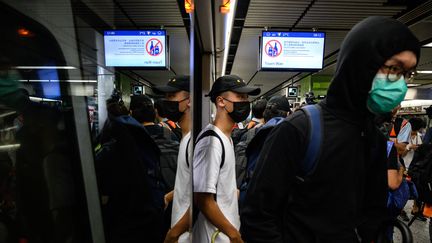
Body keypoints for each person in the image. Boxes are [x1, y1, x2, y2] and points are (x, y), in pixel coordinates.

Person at [240, 16, 420, 243]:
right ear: (361, 62)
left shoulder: (373, 138)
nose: (400, 84)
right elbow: (257, 218)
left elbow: (371, 216)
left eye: (406, 74)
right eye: (394, 68)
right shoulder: (299, 129)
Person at [193, 75, 260, 243]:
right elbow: (203, 199)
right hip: (216, 236)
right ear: (221, 101)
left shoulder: (225, 138)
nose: (245, 102)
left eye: (246, 98)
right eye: (240, 96)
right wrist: (234, 235)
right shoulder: (211, 142)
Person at [154, 75, 192, 243]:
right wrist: (169, 197)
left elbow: (203, 198)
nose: (166, 102)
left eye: (171, 96)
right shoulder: (185, 138)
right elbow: (190, 185)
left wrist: (173, 234)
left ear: (189, 100)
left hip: (187, 233)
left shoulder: (195, 141)